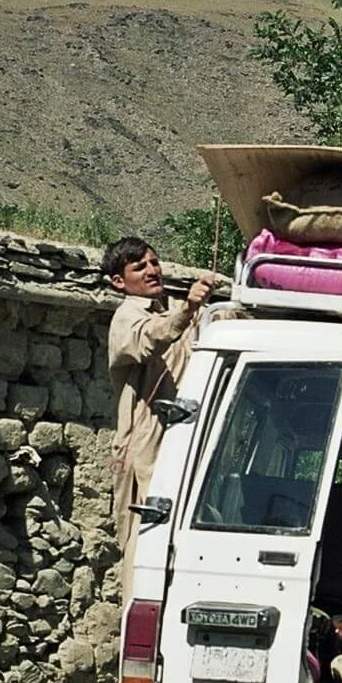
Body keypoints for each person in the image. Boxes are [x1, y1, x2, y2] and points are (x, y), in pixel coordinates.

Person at [104, 237, 212, 592]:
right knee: (146, 536)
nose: (152, 271)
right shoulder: (128, 317)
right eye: (139, 267)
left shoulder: (170, 308)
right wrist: (188, 310)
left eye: (154, 262)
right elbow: (152, 337)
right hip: (145, 441)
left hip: (183, 434)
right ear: (120, 282)